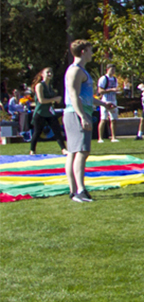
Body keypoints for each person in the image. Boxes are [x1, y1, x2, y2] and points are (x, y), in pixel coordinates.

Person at [62, 40, 96, 202]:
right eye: (90, 50)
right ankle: (79, 190)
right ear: (83, 51)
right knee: (81, 151)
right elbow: (73, 95)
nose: (92, 53)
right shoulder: (75, 71)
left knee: (74, 152)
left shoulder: (81, 71)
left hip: (76, 112)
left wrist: (103, 103)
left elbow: (85, 96)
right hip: (75, 113)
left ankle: (74, 190)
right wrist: (82, 116)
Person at [30, 67, 67, 155]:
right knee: (37, 132)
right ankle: (32, 150)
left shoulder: (50, 87)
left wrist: (56, 100)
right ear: (42, 75)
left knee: (57, 131)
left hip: (49, 112)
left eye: (51, 72)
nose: (50, 74)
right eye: (48, 72)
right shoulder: (39, 85)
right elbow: (41, 100)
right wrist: (55, 99)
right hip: (40, 112)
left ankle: (63, 149)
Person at [96, 65, 120, 143]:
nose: (113, 71)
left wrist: (116, 91)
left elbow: (115, 89)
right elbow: (100, 91)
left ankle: (113, 137)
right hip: (105, 101)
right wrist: (111, 90)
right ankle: (100, 138)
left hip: (113, 100)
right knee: (103, 119)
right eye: (111, 69)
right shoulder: (103, 79)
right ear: (107, 70)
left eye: (114, 70)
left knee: (113, 119)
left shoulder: (115, 79)